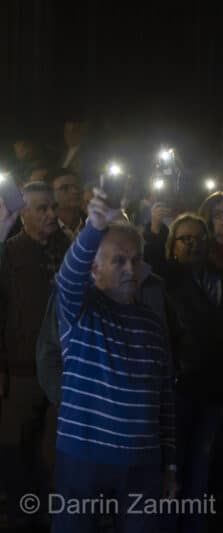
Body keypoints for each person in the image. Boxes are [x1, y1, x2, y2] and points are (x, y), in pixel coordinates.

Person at [51, 191, 177, 532]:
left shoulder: (152, 323)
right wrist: (93, 229)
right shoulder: (80, 309)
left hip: (142, 461)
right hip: (83, 455)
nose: (130, 269)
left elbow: (164, 398)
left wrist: (170, 465)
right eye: (118, 261)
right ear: (95, 269)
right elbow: (67, 279)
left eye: (136, 260)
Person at [0, 182, 69, 530]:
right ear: (23, 214)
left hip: (61, 372)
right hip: (21, 373)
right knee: (16, 452)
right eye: (41, 208)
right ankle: (21, 518)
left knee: (53, 456)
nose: (51, 214)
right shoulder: (9, 254)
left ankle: (47, 518)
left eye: (52, 206)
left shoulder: (68, 248)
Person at [162, 214, 223, 533]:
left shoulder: (221, 278)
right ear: (172, 245)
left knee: (201, 469)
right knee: (173, 469)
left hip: (213, 387)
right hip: (180, 387)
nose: (193, 244)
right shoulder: (165, 284)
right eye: (185, 239)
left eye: (199, 238)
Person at [43, 168, 85, 240]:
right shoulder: (45, 231)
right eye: (64, 188)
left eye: (76, 186)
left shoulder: (94, 223)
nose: (75, 191)